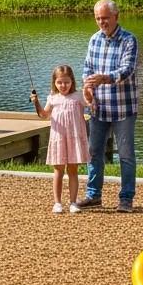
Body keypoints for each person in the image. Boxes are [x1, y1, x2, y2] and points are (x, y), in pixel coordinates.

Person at [77, 0, 138, 212]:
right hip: (98, 107)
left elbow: (126, 70)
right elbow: (87, 70)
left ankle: (126, 198)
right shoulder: (94, 40)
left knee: (126, 154)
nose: (102, 22)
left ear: (116, 17)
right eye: (98, 18)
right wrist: (88, 88)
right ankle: (94, 195)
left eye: (105, 18)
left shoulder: (129, 40)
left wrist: (104, 78)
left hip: (123, 108)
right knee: (94, 152)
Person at [30, 65, 91, 213]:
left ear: (72, 82)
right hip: (59, 138)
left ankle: (73, 202)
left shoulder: (78, 96)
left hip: (74, 138)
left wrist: (89, 90)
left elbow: (90, 103)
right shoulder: (53, 98)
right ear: (54, 83)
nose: (63, 86)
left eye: (67, 82)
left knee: (73, 170)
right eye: (60, 83)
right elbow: (44, 115)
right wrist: (36, 102)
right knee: (58, 170)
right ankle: (57, 203)